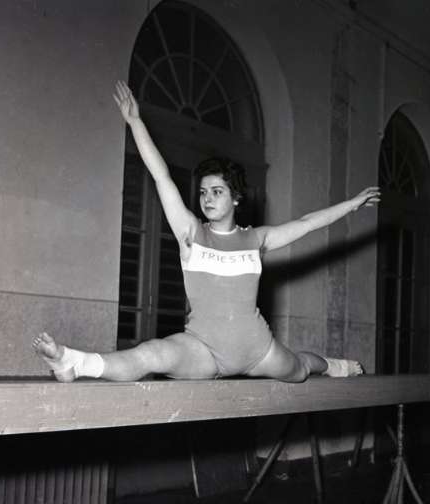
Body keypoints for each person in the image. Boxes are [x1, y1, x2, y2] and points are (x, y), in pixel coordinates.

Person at [33, 81, 380, 383]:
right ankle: (75, 362)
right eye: (203, 192)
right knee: (152, 354)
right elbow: (162, 177)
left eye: (217, 192)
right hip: (204, 349)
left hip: (259, 350)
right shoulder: (191, 232)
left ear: (236, 198)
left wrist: (351, 205)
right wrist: (136, 122)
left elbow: (306, 223)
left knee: (301, 368)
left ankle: (335, 365)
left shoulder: (256, 239)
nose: (207, 199)